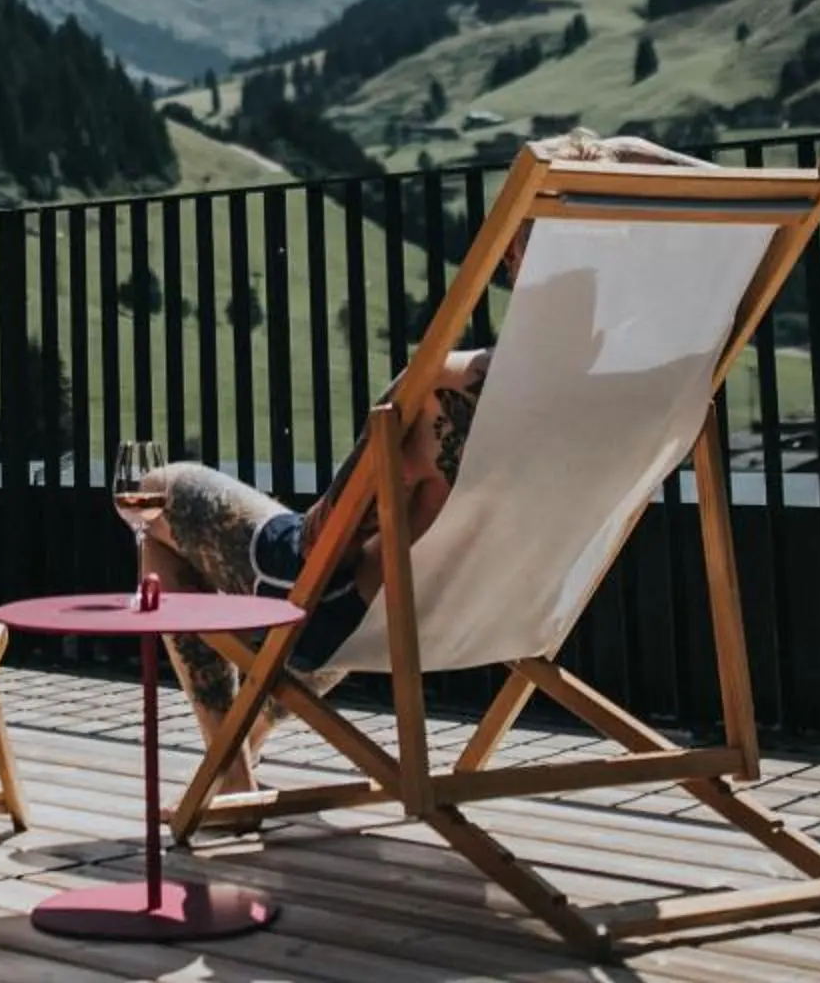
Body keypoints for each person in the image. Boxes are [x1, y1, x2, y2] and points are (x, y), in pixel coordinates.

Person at [124, 130, 715, 794]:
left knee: (157, 491)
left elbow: (326, 540)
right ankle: (236, 752)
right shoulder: (645, 389)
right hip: (509, 614)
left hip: (345, 614)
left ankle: (229, 773)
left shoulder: (448, 385)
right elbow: (720, 200)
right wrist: (624, 152)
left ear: (516, 255)